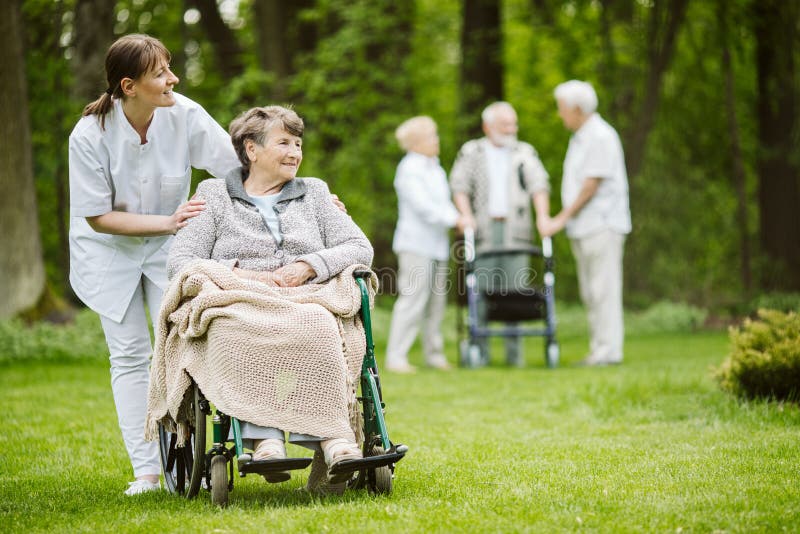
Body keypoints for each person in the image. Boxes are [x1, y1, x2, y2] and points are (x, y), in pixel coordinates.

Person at [68, 33, 348, 496]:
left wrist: (309, 197)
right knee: (130, 355)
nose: (172, 78)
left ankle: (183, 453)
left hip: (170, 247)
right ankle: (148, 473)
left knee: (177, 346)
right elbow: (98, 217)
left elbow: (242, 167)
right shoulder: (90, 136)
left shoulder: (184, 115)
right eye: (160, 72)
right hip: (107, 253)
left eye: (170, 67)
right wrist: (167, 220)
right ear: (129, 85)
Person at [165, 105, 373, 485]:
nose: (295, 151)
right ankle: (264, 440)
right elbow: (180, 261)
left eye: (298, 143)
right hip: (239, 300)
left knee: (320, 325)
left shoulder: (316, 193)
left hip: (306, 298)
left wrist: (309, 265)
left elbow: (359, 247)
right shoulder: (213, 196)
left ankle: (334, 438)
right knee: (232, 329)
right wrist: (238, 276)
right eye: (284, 142)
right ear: (252, 149)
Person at [450, 102, 550, 366]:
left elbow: (539, 185)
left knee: (515, 290)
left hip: (515, 230)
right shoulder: (472, 151)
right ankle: (479, 352)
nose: (511, 129)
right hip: (483, 230)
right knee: (480, 290)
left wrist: (542, 216)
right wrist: (466, 214)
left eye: (513, 123)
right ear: (488, 126)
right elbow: (459, 185)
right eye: (505, 124)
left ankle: (514, 356)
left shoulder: (524, 152)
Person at [539, 80, 631, 366]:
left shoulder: (600, 136)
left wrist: (559, 220)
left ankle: (609, 351)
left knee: (603, 290)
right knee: (591, 291)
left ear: (577, 109)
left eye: (562, 109)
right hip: (584, 227)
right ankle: (599, 348)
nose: (560, 114)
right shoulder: (581, 136)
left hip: (601, 224)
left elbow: (590, 186)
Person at [385, 116, 466, 373]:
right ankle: (396, 357)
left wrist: (457, 217)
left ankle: (434, 354)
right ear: (417, 142)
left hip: (437, 245)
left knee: (437, 301)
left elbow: (443, 203)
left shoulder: (436, 167)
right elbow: (423, 207)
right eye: (432, 136)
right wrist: (456, 219)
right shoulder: (409, 168)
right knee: (413, 299)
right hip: (415, 244)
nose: (436, 141)